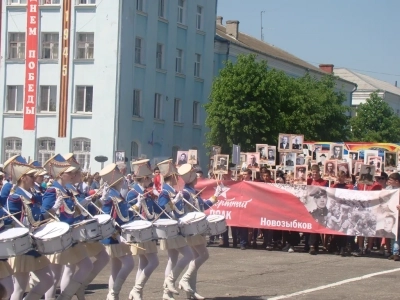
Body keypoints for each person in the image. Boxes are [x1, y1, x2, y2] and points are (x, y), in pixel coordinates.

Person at [42, 154, 94, 300]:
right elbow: (43, 215)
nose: (72, 175)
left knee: (85, 266)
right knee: (54, 275)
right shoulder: (53, 190)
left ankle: (65, 296)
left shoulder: (67, 190)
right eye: (69, 173)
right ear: (61, 174)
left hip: (71, 235)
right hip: (59, 237)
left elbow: (73, 212)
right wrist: (53, 209)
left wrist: (84, 205)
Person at [4, 155, 54, 300]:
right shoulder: (16, 197)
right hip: (22, 245)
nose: (35, 178)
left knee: (46, 280)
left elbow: (37, 217)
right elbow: (11, 222)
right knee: (18, 288)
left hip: (33, 243)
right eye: (32, 176)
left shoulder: (31, 195)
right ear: (23, 178)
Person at [63, 153, 110, 300]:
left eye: (77, 172)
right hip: (74, 231)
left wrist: (100, 200)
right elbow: (67, 212)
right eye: (75, 172)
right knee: (69, 268)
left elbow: (90, 210)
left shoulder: (77, 188)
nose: (78, 174)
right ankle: (67, 296)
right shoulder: (65, 189)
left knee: (103, 257)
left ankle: (81, 287)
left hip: (84, 229)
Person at [178, 164, 221, 299]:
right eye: (194, 176)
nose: (197, 178)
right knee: (203, 255)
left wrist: (215, 196)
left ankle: (191, 292)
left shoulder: (191, 191)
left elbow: (203, 206)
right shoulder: (185, 192)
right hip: (193, 228)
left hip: (196, 228)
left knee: (196, 258)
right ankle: (184, 280)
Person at [154, 159, 192, 300]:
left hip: (175, 228)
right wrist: (174, 202)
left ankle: (166, 293)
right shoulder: (165, 192)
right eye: (177, 175)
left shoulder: (172, 191)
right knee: (188, 255)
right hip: (171, 229)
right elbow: (162, 211)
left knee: (173, 259)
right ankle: (170, 281)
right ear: (174, 176)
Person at [98, 163, 135, 300]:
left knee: (116, 267)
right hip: (114, 236)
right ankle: (113, 293)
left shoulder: (116, 193)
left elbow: (122, 215)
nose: (124, 179)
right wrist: (118, 236)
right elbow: (109, 219)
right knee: (129, 264)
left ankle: (112, 296)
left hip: (118, 234)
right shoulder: (110, 195)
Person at [126, 159, 159, 300]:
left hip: (147, 231)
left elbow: (157, 209)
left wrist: (172, 204)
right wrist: (137, 204)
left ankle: (137, 294)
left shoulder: (146, 192)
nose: (151, 180)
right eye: (150, 178)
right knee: (154, 262)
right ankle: (136, 289)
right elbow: (127, 215)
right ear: (145, 178)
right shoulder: (132, 194)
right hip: (139, 232)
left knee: (143, 264)